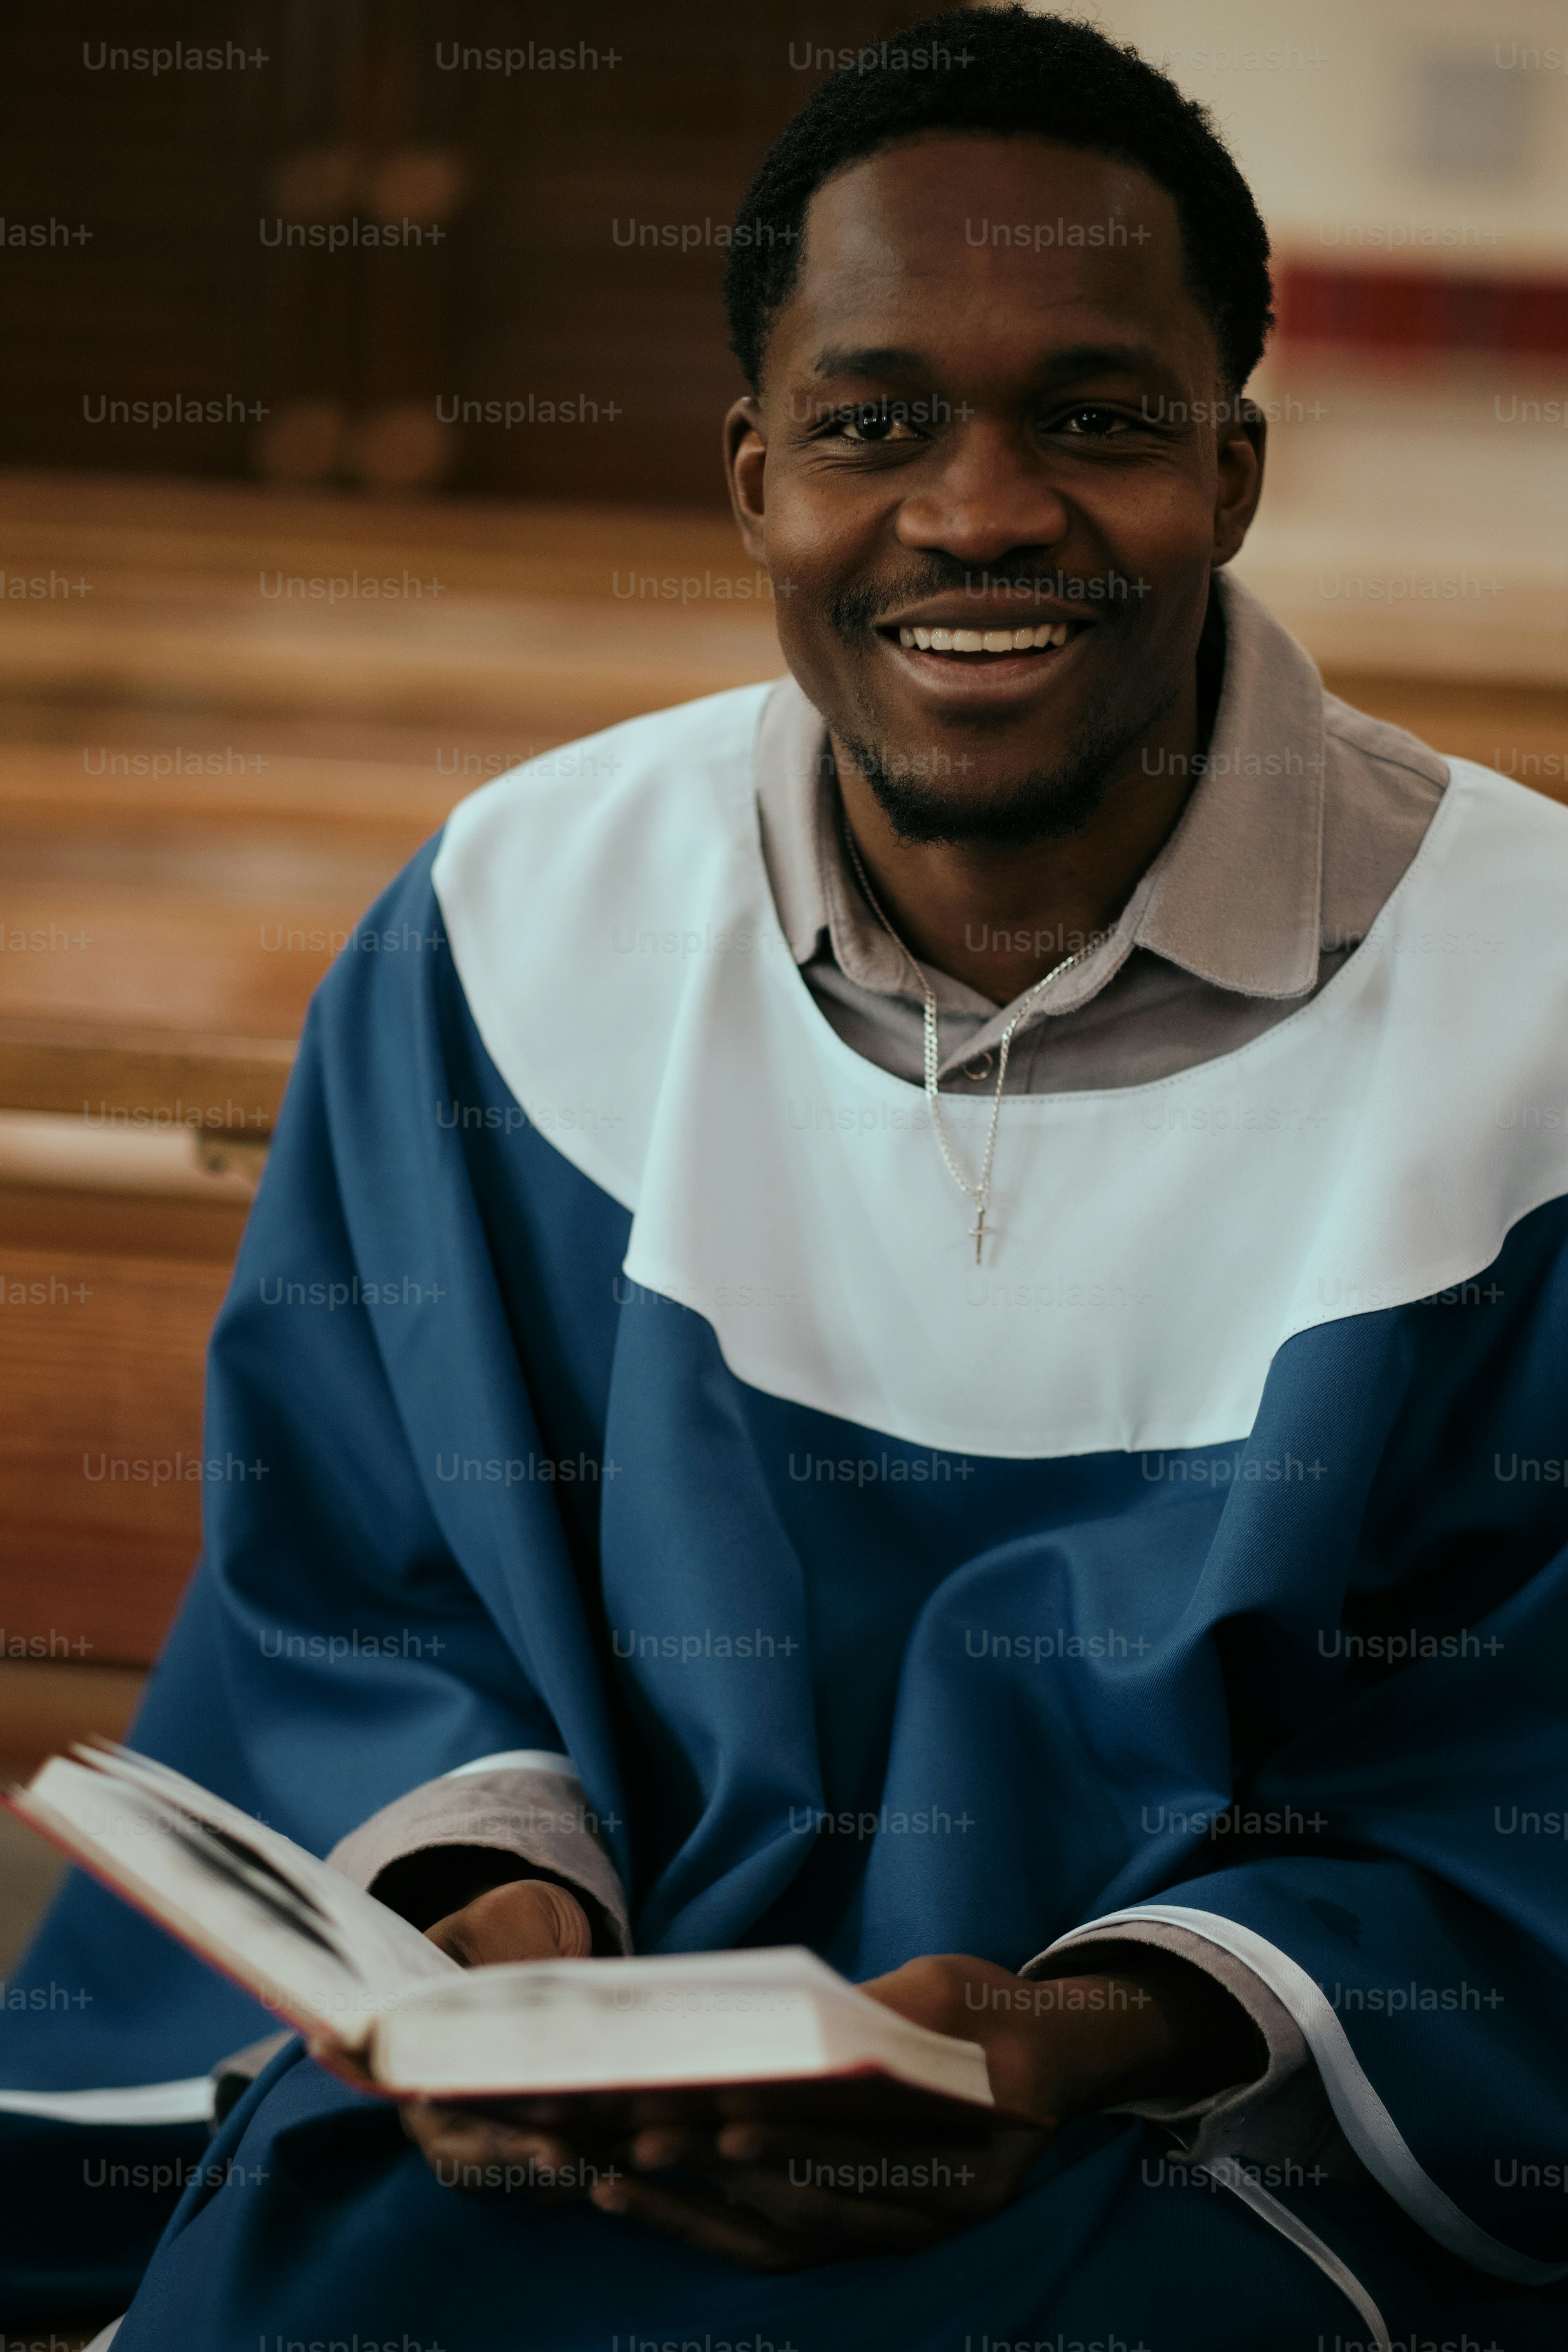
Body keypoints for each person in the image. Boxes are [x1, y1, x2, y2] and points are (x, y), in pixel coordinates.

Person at [5, 10, 1568, 2345]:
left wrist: (1095, 2028)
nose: (977, 511)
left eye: (1101, 419)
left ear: (1233, 473)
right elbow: (368, 1589)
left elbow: (1523, 1746)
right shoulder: (515, 924)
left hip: (1203, 2138)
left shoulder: (1529, 1000)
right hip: (576, 2111)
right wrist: (487, 1939)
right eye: (873, 425)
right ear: (754, 476)